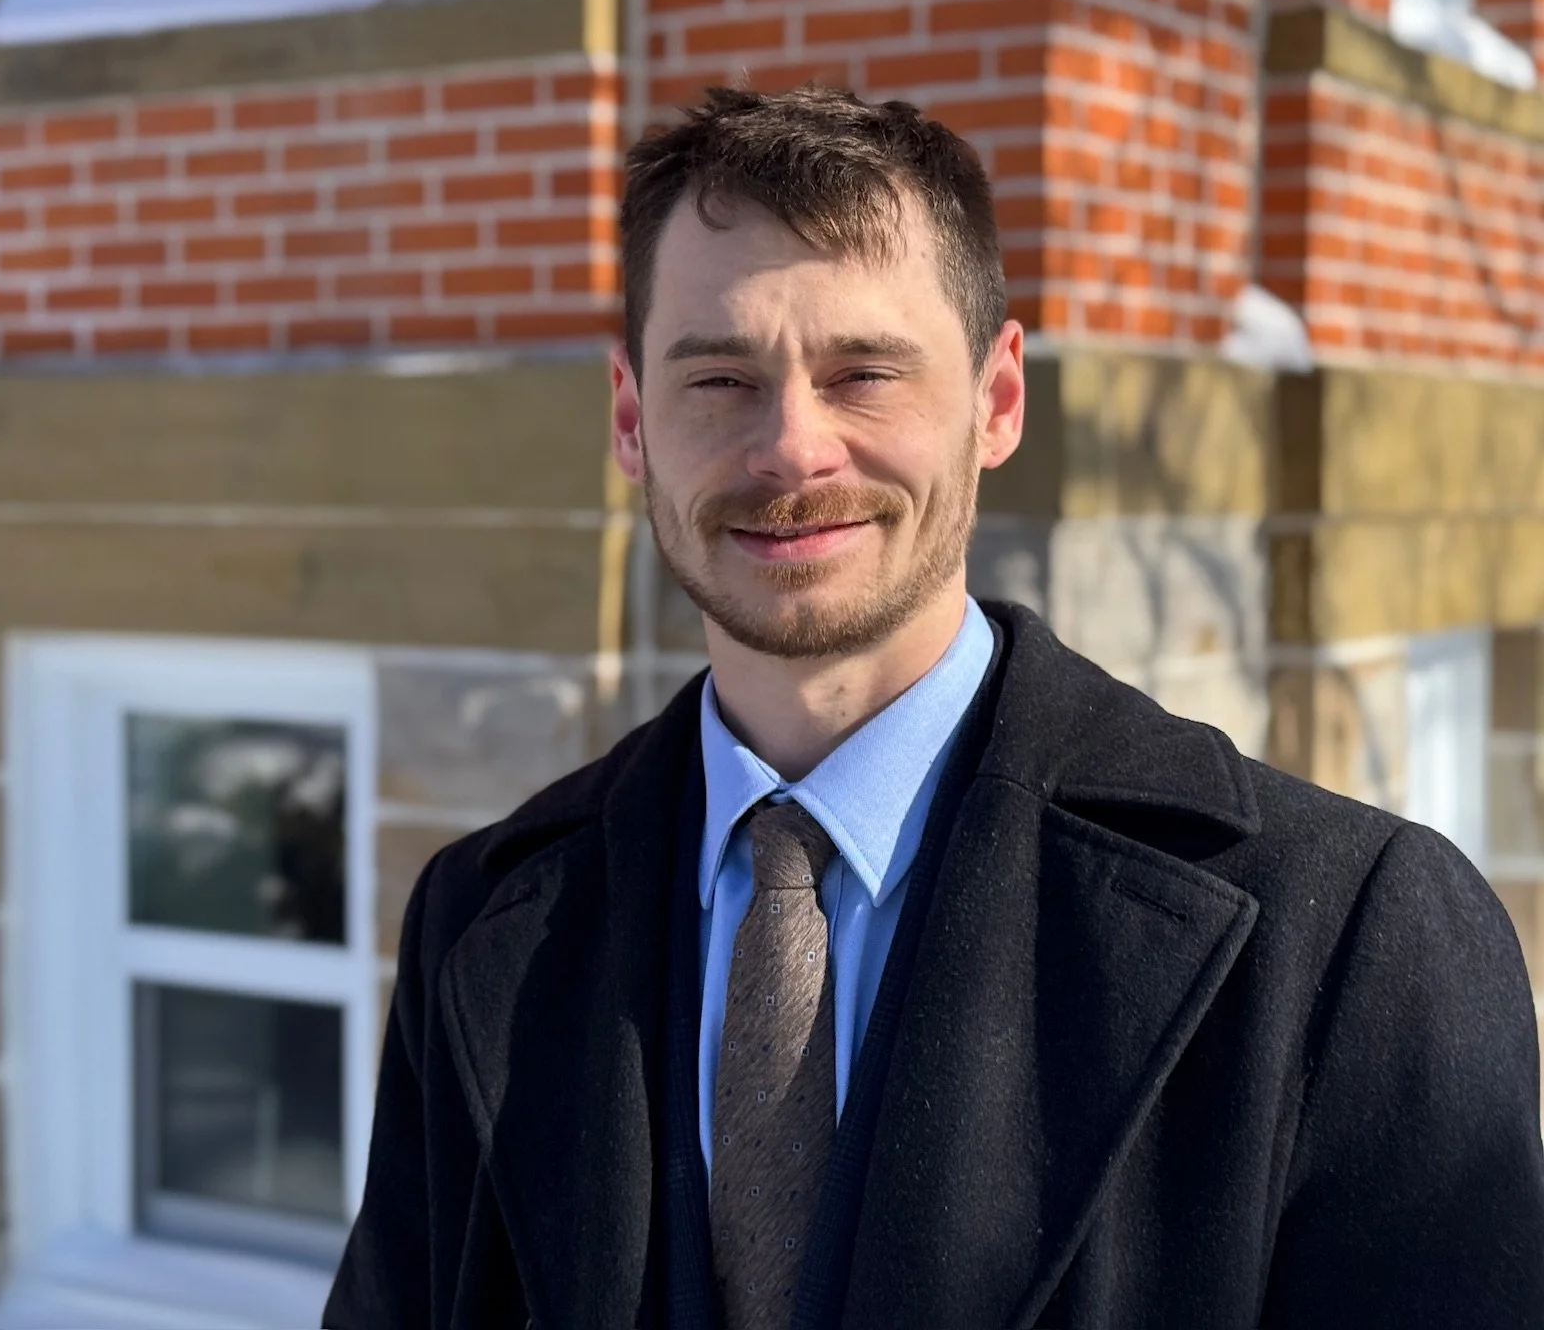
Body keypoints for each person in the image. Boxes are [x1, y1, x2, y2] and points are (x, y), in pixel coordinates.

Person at [323, 87, 1544, 1329]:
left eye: (863, 373)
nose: (792, 450)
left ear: (995, 402)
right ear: (632, 422)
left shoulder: (1343, 940)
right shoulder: (480, 924)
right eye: (719, 379)